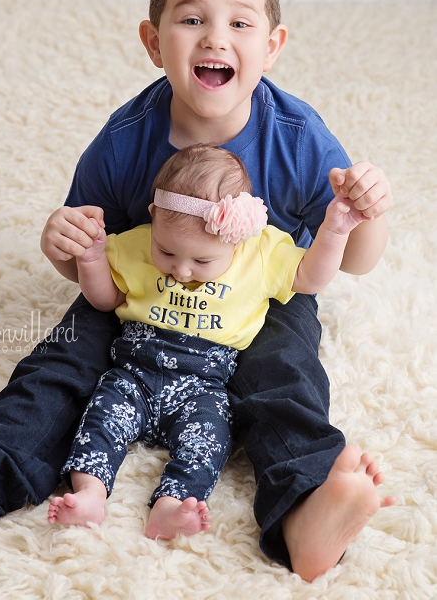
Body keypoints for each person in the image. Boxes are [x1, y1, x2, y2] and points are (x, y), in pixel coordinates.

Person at [0, 0, 394, 582]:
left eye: (240, 23)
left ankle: (305, 512)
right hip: (142, 288)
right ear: (153, 41)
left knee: (286, 378)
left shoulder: (296, 138)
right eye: (191, 19)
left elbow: (354, 261)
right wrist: (65, 244)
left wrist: (366, 212)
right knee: (63, 358)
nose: (215, 38)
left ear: (272, 46)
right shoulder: (127, 138)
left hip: (259, 297)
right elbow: (89, 243)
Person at [47, 143, 384, 540]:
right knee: (100, 421)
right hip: (132, 374)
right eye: (167, 251)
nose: (182, 270)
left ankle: (171, 506)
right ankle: (89, 492)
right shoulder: (137, 243)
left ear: (237, 240)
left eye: (202, 261)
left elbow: (310, 278)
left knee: (207, 441)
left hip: (205, 387)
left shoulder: (258, 254)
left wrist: (334, 230)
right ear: (153, 217)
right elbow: (107, 300)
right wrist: (91, 260)